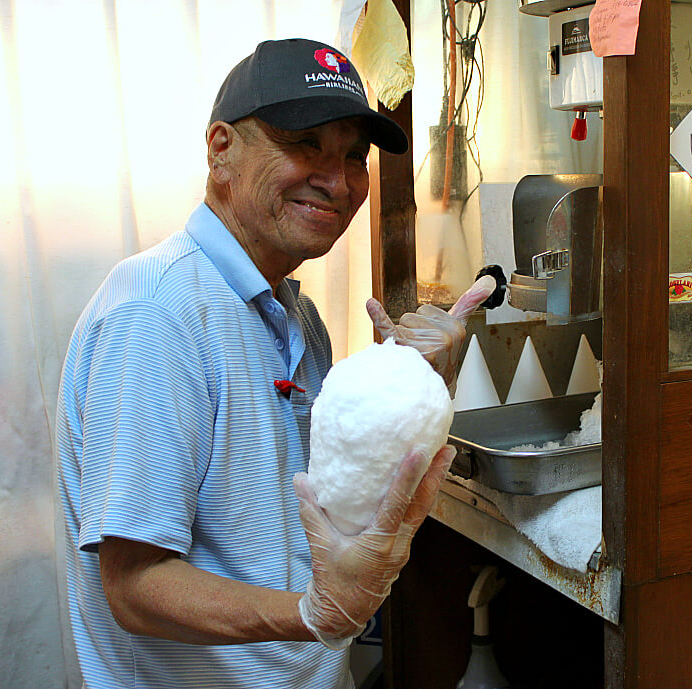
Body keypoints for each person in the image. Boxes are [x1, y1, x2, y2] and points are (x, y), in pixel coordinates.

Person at [56, 38, 495, 689]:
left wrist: (418, 392)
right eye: (304, 142)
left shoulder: (296, 315)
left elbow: (319, 516)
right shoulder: (157, 310)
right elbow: (135, 584)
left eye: (354, 156)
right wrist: (311, 614)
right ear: (220, 148)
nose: (338, 179)